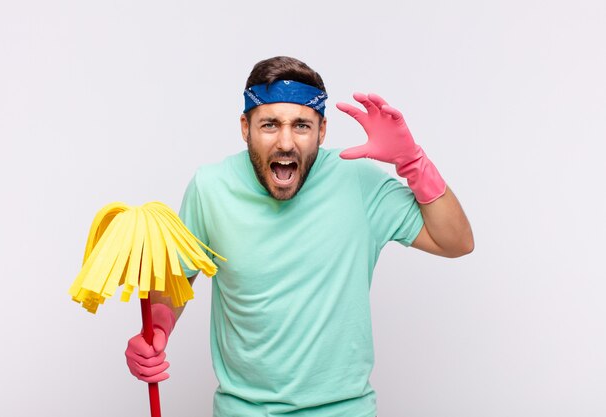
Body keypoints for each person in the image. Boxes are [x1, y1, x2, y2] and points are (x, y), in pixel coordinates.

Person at [125, 56, 474, 417]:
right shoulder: (211, 188)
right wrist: (158, 329)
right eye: (270, 125)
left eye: (302, 125)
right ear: (245, 127)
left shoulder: (358, 181)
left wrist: (414, 163)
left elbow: (456, 242)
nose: (286, 143)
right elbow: (177, 282)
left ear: (322, 131)